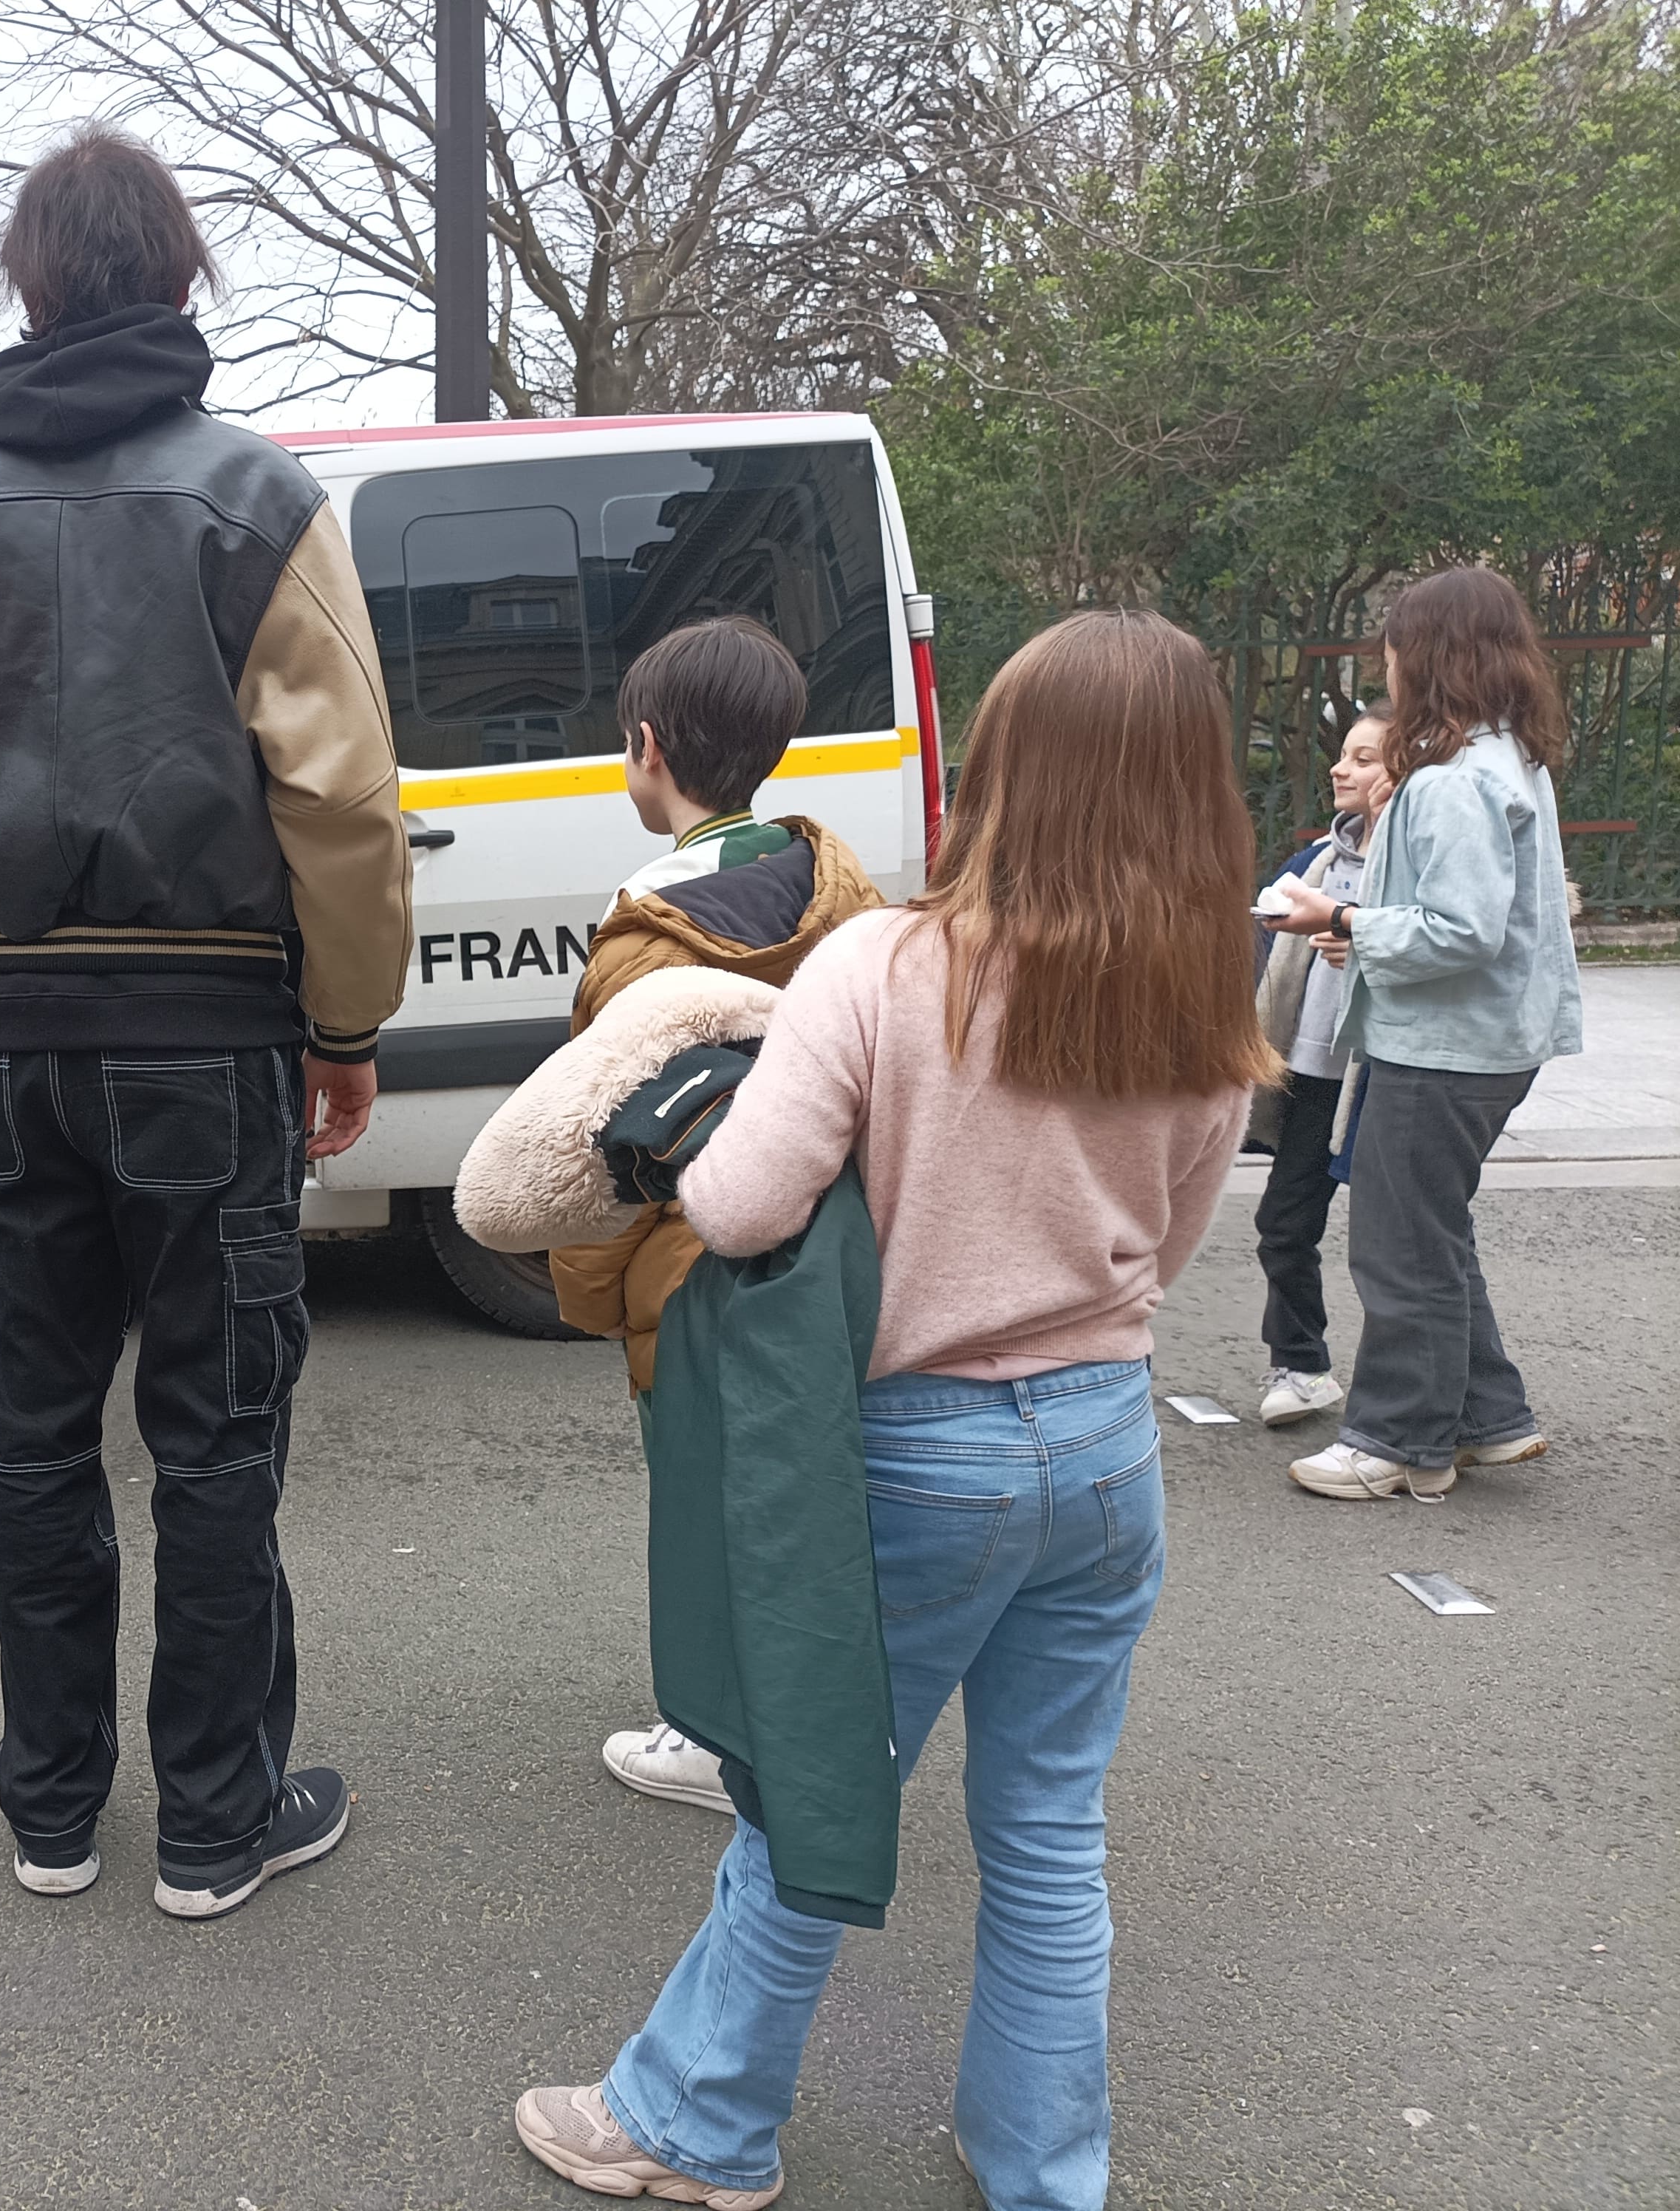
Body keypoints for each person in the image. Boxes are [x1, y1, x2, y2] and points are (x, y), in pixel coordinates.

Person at [513, 610, 1270, 2210]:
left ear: (1001, 769)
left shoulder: (886, 968)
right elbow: (1168, 1248)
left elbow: (737, 1205)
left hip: (917, 1455)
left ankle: (695, 2124)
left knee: (816, 1801)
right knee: (1049, 1831)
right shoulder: (1208, 1001)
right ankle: (1041, 2163)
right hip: (1106, 1443)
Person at [0, 123, 413, 1920]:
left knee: (33, 1430)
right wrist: (342, 1021)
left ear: (26, 285)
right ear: (177, 278)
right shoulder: (258, 497)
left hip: (13, 1037)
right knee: (216, 1438)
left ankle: (53, 1811)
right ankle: (217, 1822)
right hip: (210, 1030)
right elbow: (340, 798)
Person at [547, 617, 885, 1821]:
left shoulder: (647, 941)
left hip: (692, 1264)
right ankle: (819, 1709)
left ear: (647, 746)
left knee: (702, 1503)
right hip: (831, 1248)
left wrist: (595, 1291)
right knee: (803, 1493)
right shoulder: (843, 895)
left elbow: (605, 1140)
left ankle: (715, 1737)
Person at [1266, 567, 1582, 1502]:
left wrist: (1343, 919)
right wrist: (1360, 927)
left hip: (1444, 1045)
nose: (1387, 667)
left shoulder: (1452, 780)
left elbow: (1459, 930)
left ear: (1427, 656)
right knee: (1431, 1232)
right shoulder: (1509, 756)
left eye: (1394, 649)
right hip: (1489, 1037)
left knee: (1398, 1245)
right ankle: (1489, 1419)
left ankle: (1400, 1443)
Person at [1248, 708, 1393, 1427]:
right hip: (1313, 1076)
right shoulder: (1316, 863)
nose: (1341, 768)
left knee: (1403, 1244)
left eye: (1364, 759)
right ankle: (1302, 1366)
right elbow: (1253, 933)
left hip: (1386, 1080)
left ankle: (1439, 1393)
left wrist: (1356, 937)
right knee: (1283, 1223)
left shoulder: (1417, 861)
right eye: (1343, 754)